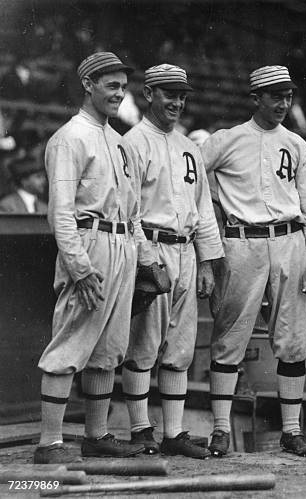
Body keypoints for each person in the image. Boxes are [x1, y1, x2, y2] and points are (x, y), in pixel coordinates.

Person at [200, 65, 306, 457]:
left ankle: (291, 431)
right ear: (256, 98)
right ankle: (220, 429)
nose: (283, 104)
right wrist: (215, 207)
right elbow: (189, 176)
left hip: (290, 239)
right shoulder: (227, 139)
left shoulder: (298, 144)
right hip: (242, 241)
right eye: (275, 96)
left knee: (292, 338)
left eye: (288, 96)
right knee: (230, 336)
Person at [34, 52, 148, 464]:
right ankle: (49, 443)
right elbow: (60, 211)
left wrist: (143, 258)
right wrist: (79, 266)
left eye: (123, 86)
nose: (119, 93)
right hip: (88, 240)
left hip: (121, 245)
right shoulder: (70, 136)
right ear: (88, 84)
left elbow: (133, 211)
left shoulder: (117, 141)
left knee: (108, 347)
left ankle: (97, 435)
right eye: (111, 85)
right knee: (71, 342)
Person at [121, 64, 223, 459]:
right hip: (152, 245)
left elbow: (203, 210)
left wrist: (208, 263)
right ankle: (140, 428)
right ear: (148, 94)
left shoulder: (189, 147)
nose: (176, 102)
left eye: (182, 95)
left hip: (186, 249)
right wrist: (146, 259)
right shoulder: (133, 143)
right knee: (144, 345)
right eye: (168, 93)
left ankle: (174, 432)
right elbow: (127, 210)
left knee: (180, 347)